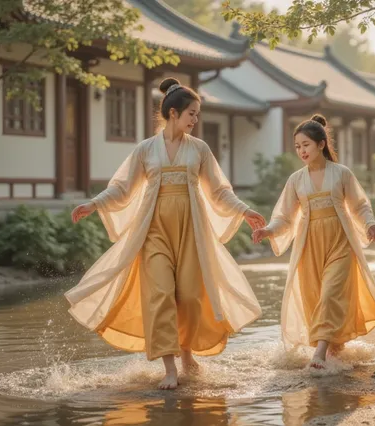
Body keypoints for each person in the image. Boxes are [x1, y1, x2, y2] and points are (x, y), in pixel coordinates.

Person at [66, 77, 265, 390]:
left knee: (188, 296)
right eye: (192, 114)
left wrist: (244, 210)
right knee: (160, 296)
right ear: (174, 113)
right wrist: (93, 203)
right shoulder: (146, 150)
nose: (196, 120)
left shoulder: (199, 149)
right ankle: (170, 367)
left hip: (191, 232)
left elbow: (219, 191)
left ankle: (187, 354)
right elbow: (122, 189)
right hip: (153, 231)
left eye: (197, 114)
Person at [252, 114, 375, 369]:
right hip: (309, 247)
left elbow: (359, 206)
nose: (301, 151)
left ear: (321, 144)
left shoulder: (341, 174)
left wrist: (370, 224)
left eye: (306, 145)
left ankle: (319, 355)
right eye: (298, 146)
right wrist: (268, 230)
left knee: (330, 294)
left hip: (340, 242)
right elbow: (285, 216)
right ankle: (335, 352)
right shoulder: (296, 179)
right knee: (315, 299)